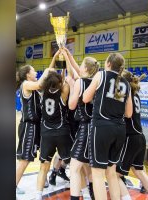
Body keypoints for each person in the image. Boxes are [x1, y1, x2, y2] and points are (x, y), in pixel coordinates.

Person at [83, 53, 133, 200]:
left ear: (109, 64)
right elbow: (129, 114)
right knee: (111, 172)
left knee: (98, 173)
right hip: (119, 129)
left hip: (102, 128)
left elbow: (86, 98)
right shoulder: (126, 83)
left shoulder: (101, 75)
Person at [35, 50, 73, 200]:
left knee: (43, 167)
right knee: (75, 166)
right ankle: (86, 192)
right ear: (58, 82)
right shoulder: (63, 91)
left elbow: (47, 74)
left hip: (47, 133)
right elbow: (67, 78)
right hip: (62, 132)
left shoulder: (42, 91)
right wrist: (65, 59)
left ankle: (38, 196)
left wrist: (54, 59)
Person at [64, 53, 99, 200]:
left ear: (85, 67)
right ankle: (90, 193)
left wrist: (72, 86)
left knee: (74, 168)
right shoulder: (96, 81)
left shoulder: (80, 82)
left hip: (86, 127)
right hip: (97, 126)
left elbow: (71, 106)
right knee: (87, 166)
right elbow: (76, 68)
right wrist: (67, 55)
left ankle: (77, 197)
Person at [15, 64, 53, 195]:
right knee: (24, 159)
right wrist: (47, 70)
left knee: (43, 154)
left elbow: (42, 81)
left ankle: (44, 179)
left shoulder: (33, 84)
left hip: (37, 126)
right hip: (28, 126)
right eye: (34, 70)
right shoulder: (26, 84)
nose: (36, 72)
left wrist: (54, 60)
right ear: (27, 74)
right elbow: (39, 85)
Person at [117, 71, 148, 199]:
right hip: (140, 136)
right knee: (138, 171)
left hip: (130, 138)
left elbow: (125, 115)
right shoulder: (136, 95)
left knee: (114, 174)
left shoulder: (125, 95)